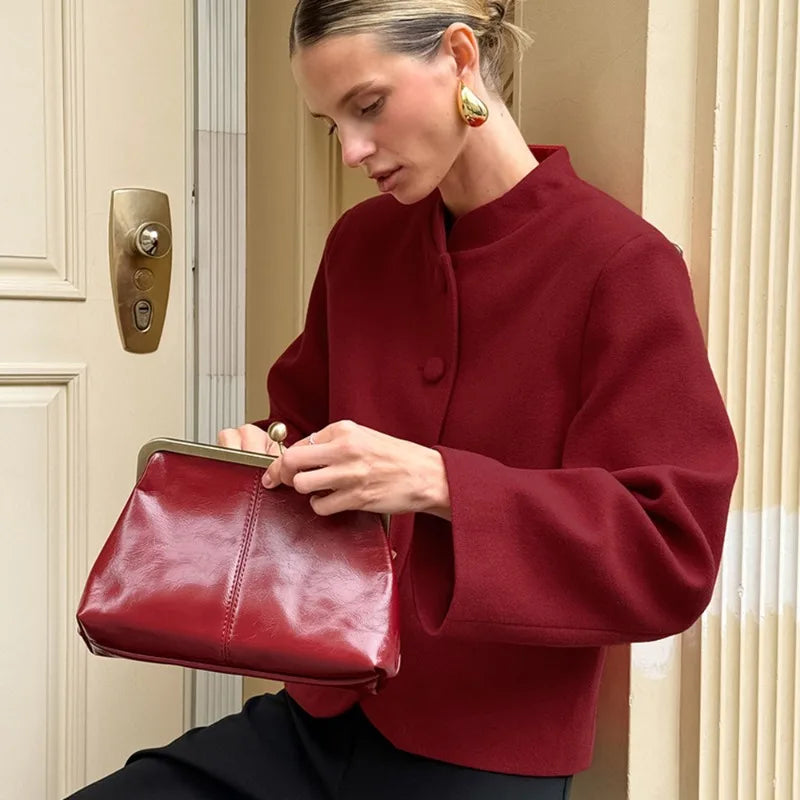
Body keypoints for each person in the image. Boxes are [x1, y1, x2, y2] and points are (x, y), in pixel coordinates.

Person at [67, 1, 739, 797]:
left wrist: (439, 481)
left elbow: (670, 551)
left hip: (485, 749)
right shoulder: (361, 246)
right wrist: (266, 459)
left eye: (368, 106)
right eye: (330, 124)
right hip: (317, 713)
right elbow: (304, 424)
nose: (352, 151)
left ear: (460, 58)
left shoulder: (620, 265)